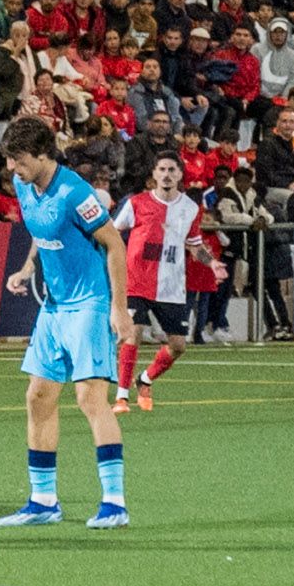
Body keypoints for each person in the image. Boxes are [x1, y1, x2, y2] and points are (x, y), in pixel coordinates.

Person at [0, 116, 129, 528]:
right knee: (38, 396)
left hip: (88, 303)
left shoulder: (76, 192)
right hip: (53, 307)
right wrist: (27, 267)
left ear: (41, 155)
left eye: (18, 160)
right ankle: (43, 501)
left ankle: (114, 503)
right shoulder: (24, 185)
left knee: (90, 399)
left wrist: (118, 308)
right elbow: (40, 228)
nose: (11, 169)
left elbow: (114, 244)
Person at [115, 152, 202, 410]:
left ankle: (145, 378)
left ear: (180, 175)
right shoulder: (136, 203)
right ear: (153, 174)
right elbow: (113, 231)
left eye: (172, 169)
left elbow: (195, 245)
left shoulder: (190, 208)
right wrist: (119, 260)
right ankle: (121, 396)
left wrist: (212, 263)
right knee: (133, 333)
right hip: (137, 280)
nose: (166, 174)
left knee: (178, 346)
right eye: (161, 169)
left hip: (171, 286)